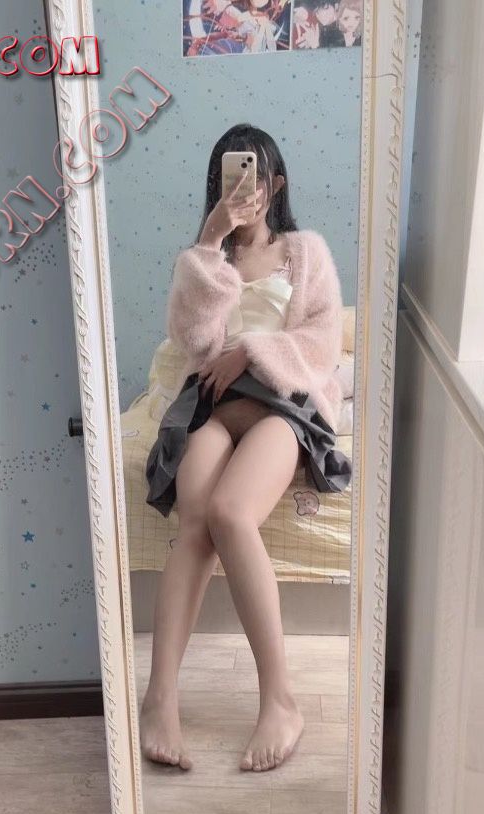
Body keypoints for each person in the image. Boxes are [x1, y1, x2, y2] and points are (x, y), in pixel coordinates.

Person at [142, 123, 351, 773]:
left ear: (275, 184)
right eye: (228, 176)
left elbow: (324, 343)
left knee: (231, 514)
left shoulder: (305, 252)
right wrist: (209, 244)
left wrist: (252, 351)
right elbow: (192, 343)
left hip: (280, 410)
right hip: (211, 409)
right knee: (195, 524)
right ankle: (159, 700)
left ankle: (280, 701)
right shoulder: (204, 259)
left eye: (253, 175)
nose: (241, 188)